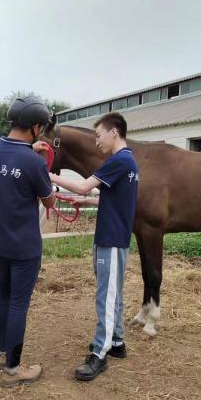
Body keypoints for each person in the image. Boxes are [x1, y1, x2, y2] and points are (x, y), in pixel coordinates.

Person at [49, 112, 138, 381]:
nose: (96, 141)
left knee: (106, 296)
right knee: (113, 292)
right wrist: (85, 203)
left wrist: (49, 175)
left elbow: (84, 186)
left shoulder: (119, 160)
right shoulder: (129, 161)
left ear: (114, 132)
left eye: (98, 135)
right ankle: (117, 341)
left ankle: (100, 352)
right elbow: (115, 200)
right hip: (112, 236)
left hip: (111, 239)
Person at [0, 96, 55, 387]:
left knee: (5, 297)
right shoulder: (33, 162)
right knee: (19, 304)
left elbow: (10, 160)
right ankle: (13, 369)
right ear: (36, 127)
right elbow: (48, 200)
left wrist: (29, 152)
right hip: (24, 245)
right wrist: (37, 163)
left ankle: (3, 353)